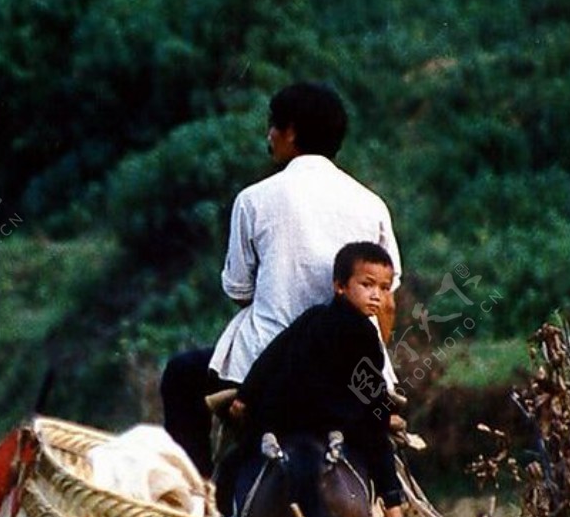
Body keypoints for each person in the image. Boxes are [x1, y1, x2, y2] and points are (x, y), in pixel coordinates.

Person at [160, 80, 401, 475]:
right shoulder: (372, 204)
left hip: (265, 364)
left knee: (182, 373)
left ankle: (196, 497)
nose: (268, 136)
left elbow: (238, 289)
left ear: (290, 132)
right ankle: (393, 510)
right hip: (353, 366)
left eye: (273, 126)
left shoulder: (254, 199)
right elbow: (386, 294)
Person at [228, 241, 438, 517]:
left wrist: (245, 395)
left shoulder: (313, 317)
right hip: (332, 416)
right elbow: (370, 388)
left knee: (243, 448)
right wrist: (384, 416)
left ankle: (222, 502)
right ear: (340, 286)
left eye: (383, 287)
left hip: (283, 415)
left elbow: (273, 355)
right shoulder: (365, 333)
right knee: (379, 444)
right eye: (366, 285)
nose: (376, 295)